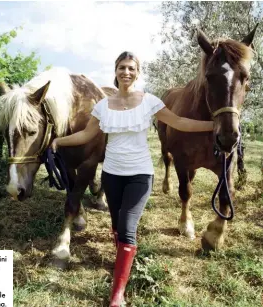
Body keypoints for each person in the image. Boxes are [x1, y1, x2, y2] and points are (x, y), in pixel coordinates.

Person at [51, 51, 213, 307]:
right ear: (116, 71)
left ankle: (117, 293)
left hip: (140, 175)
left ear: (137, 73)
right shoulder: (103, 106)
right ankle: (122, 251)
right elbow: (85, 135)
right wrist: (59, 141)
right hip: (112, 176)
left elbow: (179, 121)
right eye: (122, 67)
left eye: (131, 68)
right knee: (117, 224)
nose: (126, 72)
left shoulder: (149, 101)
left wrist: (214, 126)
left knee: (127, 227)